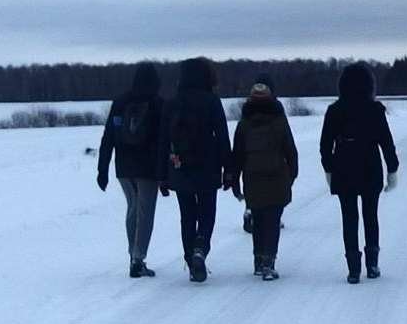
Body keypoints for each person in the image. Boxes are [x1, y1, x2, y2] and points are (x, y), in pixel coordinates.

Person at [320, 63, 399, 284]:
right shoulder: (375, 110)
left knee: (349, 218)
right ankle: (372, 265)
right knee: (370, 215)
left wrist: (329, 168)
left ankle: (353, 269)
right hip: (370, 166)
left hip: (343, 167)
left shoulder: (334, 111)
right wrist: (392, 169)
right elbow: (386, 142)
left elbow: (325, 145)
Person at [158, 57, 231, 283]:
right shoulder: (211, 101)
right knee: (207, 213)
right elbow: (222, 137)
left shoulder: (171, 103)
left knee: (187, 215)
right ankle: (200, 249)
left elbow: (162, 141)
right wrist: (229, 169)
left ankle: (191, 260)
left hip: (179, 167)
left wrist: (162, 174)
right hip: (208, 166)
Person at [96, 62, 167, 278]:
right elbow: (163, 140)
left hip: (123, 167)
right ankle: (138, 259)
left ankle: (132, 255)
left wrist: (103, 169)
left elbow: (108, 136)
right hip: (148, 167)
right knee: (145, 212)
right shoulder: (158, 103)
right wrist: (164, 173)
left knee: (133, 208)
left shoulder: (120, 102)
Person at [227, 82, 298, 281]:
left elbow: (237, 155)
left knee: (258, 219)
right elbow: (290, 150)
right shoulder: (279, 120)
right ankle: (269, 262)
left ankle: (258, 260)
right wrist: (291, 175)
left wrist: (234, 180)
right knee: (273, 220)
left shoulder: (244, 123)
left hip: (252, 177)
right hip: (276, 177)